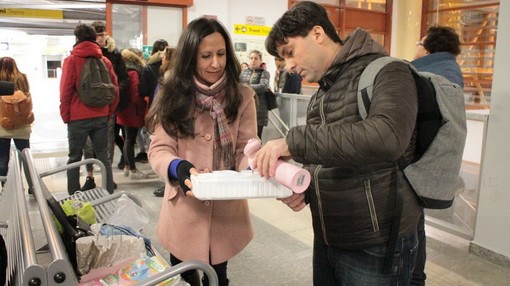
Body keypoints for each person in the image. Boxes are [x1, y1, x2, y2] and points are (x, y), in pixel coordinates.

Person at [254, 2, 421, 285]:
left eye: (290, 52)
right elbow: (327, 152)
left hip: (376, 242)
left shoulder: (388, 71)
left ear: (317, 33)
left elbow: (387, 137)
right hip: (329, 236)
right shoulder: (323, 90)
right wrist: (304, 188)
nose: (290, 66)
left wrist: (293, 141)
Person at [146, 17, 257, 286]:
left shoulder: (242, 96)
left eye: (220, 54)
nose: (215, 63)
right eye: (205, 56)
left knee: (217, 272)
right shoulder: (173, 95)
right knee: (182, 268)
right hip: (184, 205)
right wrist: (178, 167)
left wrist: (254, 165)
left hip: (224, 207)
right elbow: (160, 148)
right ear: (190, 57)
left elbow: (244, 150)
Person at [410, 25, 464, 286]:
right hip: (428, 166)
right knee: (415, 224)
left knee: (411, 226)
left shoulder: (426, 74)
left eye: (419, 42)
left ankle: (414, 277)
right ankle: (416, 277)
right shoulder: (451, 71)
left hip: (413, 166)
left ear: (428, 48)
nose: (416, 46)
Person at [60, 24, 119, 194]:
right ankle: (108, 193)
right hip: (101, 115)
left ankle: (74, 197)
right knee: (104, 157)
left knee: (74, 158)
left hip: (77, 118)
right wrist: (108, 112)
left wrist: (66, 115)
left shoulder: (71, 60)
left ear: (77, 38)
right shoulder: (104, 60)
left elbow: (65, 91)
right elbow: (115, 89)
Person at [79, 21, 130, 192]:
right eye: (98, 34)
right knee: (87, 145)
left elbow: (123, 79)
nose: (101, 38)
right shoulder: (81, 54)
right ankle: (90, 176)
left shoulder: (114, 55)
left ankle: (108, 178)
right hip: (85, 107)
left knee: (107, 144)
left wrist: (113, 95)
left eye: (103, 34)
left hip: (108, 108)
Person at [0, 57, 32, 186]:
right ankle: (32, 187)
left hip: (2, 125)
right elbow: (28, 96)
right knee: (26, 158)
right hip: (22, 125)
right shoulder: (22, 77)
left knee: (2, 159)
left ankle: (5, 189)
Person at [117, 49, 148, 180]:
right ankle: (133, 170)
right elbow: (136, 95)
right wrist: (143, 107)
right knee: (130, 139)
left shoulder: (122, 71)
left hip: (124, 110)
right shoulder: (133, 72)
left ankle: (127, 167)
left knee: (127, 139)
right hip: (133, 111)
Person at [137, 39, 169, 164]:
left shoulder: (148, 67)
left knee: (155, 137)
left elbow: (142, 90)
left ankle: (156, 161)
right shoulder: (175, 68)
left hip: (154, 107)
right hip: (171, 108)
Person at [152, 46, 177, 198]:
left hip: (165, 115)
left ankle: (166, 182)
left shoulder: (170, 75)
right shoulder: (167, 74)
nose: (161, 58)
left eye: (164, 56)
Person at [239, 50, 270, 139]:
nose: (253, 60)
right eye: (251, 58)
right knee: (244, 137)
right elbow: (237, 86)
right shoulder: (242, 73)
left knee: (257, 137)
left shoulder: (264, 73)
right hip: (244, 108)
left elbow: (262, 87)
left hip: (260, 110)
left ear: (260, 60)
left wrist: (245, 87)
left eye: (256, 58)